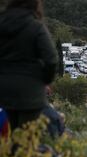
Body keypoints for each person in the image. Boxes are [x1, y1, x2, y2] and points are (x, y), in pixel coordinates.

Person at [0, 0, 58, 130]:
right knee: (27, 137)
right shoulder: (35, 26)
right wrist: (44, 80)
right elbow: (51, 59)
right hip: (30, 94)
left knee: (7, 135)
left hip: (3, 91)